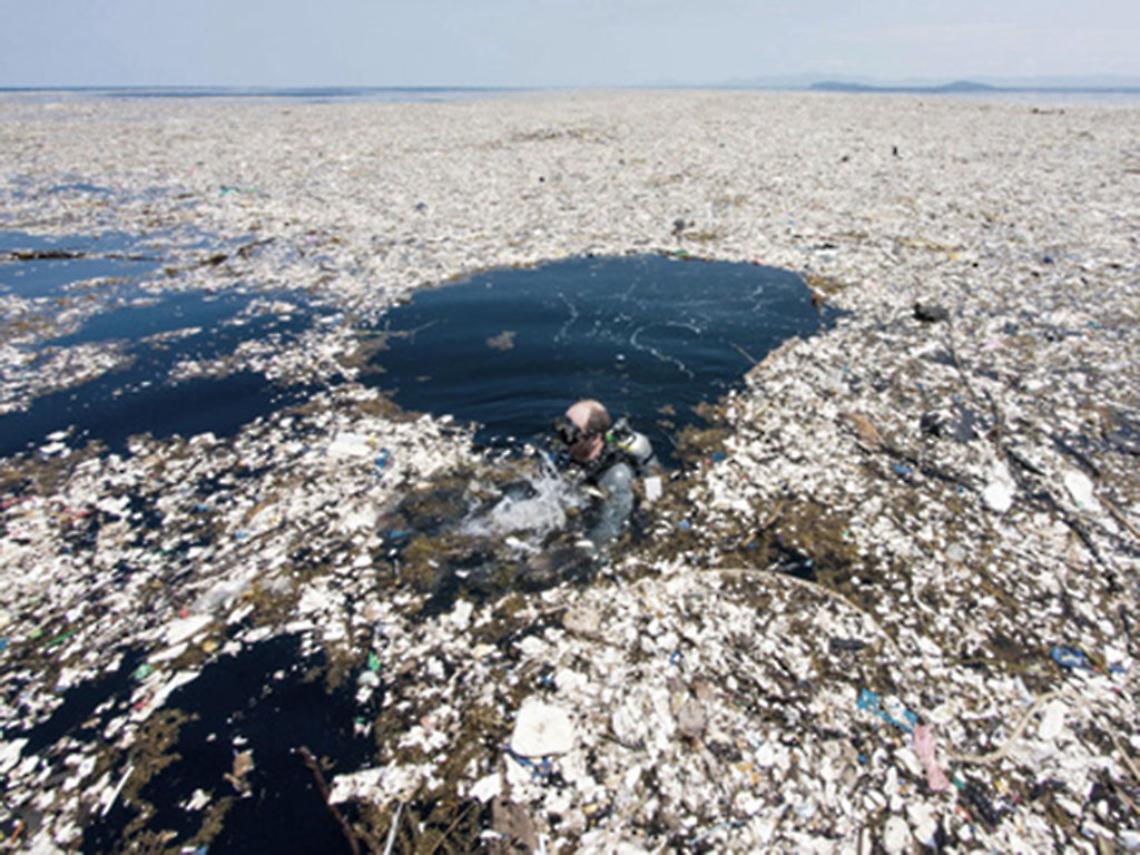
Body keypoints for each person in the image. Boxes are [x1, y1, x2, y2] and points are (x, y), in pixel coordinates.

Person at [553, 399, 656, 548]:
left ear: (593, 438)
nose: (561, 436)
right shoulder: (572, 448)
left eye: (570, 432)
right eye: (562, 425)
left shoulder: (616, 477)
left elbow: (611, 528)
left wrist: (560, 558)